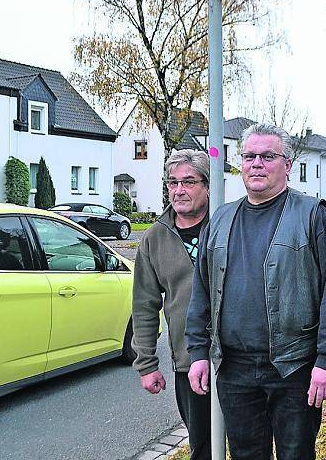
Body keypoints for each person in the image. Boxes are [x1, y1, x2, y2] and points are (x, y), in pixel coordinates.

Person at [185, 122, 326, 460]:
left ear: (287, 165)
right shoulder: (220, 219)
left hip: (294, 367)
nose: (257, 163)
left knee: (296, 453)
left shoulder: (312, 215)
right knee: (246, 454)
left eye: (267, 156)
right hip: (234, 369)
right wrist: (198, 353)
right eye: (249, 156)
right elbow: (202, 292)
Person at [132, 149, 212, 460]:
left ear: (207, 185)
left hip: (239, 360)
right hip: (189, 362)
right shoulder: (154, 238)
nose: (179, 190)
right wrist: (147, 364)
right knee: (202, 447)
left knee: (249, 443)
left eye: (188, 182)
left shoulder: (227, 225)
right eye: (172, 183)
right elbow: (144, 305)